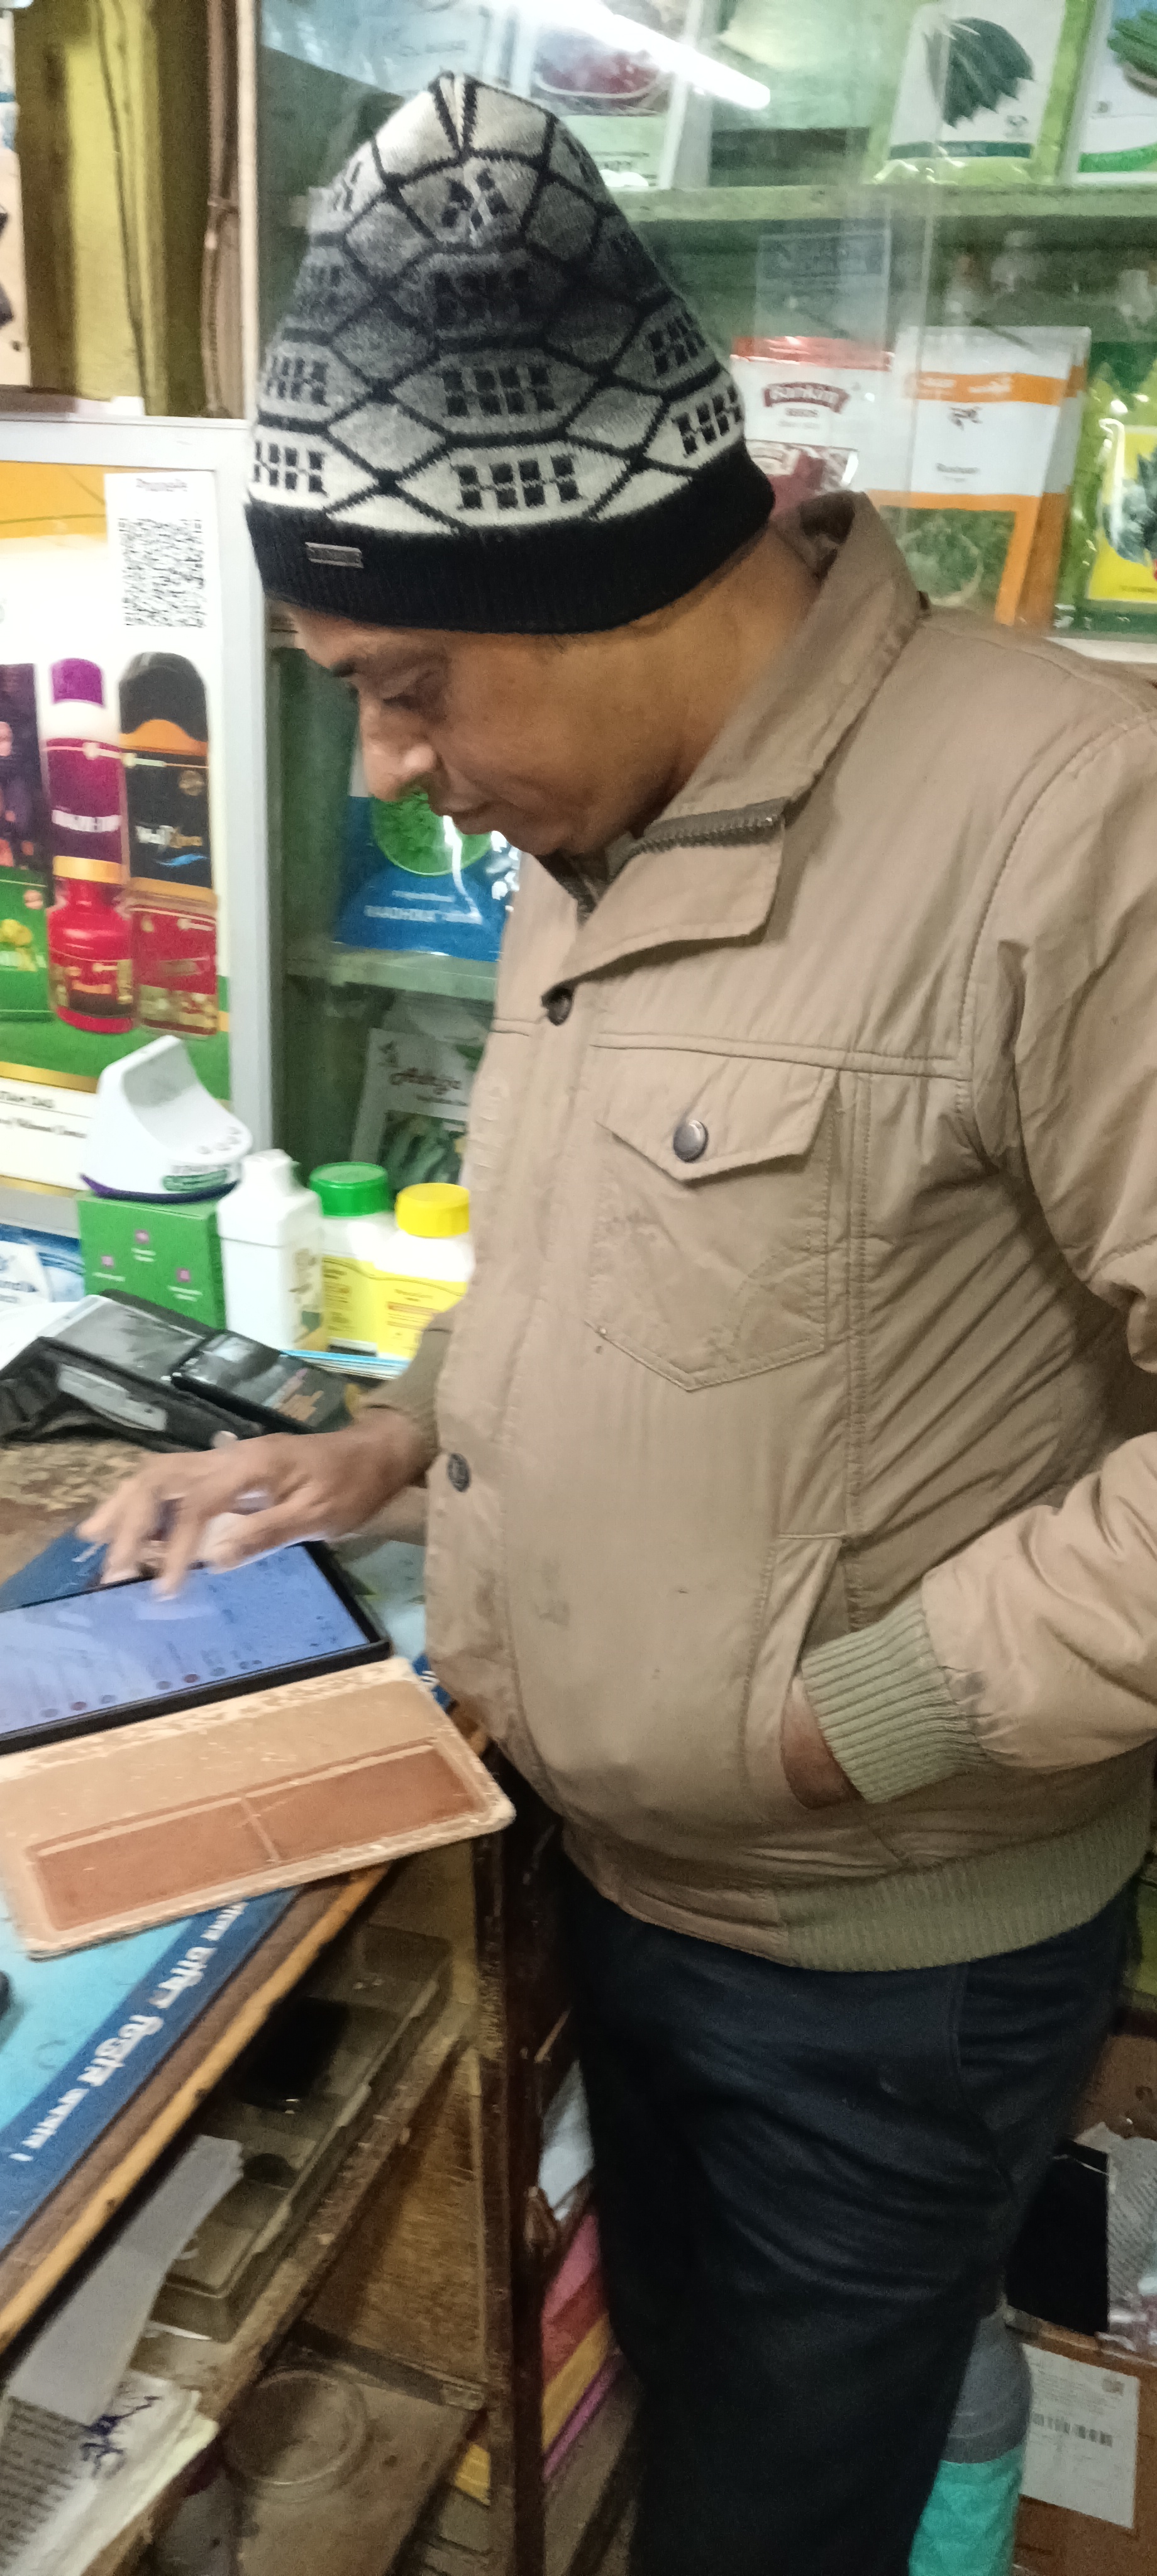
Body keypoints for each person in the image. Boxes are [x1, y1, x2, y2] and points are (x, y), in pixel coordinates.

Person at [85, 75, 1157, 2576]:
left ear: (618, 584)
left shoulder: (1072, 825)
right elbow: (648, 1274)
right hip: (629, 1875)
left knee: (772, 2516)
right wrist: (391, 1440)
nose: (396, 764)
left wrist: (846, 1713)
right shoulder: (597, 817)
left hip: (872, 1966)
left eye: (407, 682)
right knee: (691, 2420)